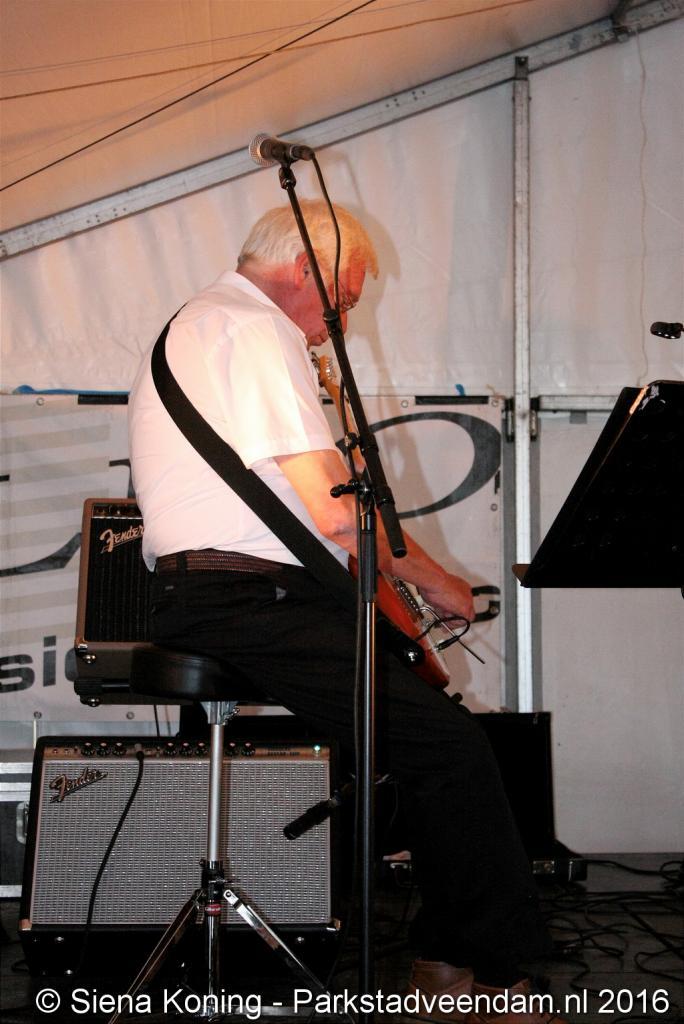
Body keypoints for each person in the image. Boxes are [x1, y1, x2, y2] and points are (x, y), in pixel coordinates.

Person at [128, 199, 565, 1024]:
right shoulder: (254, 329)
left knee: (429, 746)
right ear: (307, 270)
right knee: (451, 748)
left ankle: (448, 959)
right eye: (346, 299)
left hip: (230, 593)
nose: (341, 324)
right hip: (242, 597)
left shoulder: (206, 323)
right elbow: (336, 513)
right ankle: (479, 975)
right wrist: (439, 582)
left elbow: (308, 520)